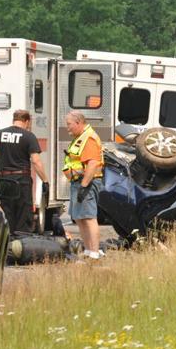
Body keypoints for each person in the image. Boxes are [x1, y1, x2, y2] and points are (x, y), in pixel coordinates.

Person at [0, 109, 49, 236]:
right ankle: (21, 245)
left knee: (7, 213)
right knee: (23, 215)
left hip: (4, 181)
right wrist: (45, 180)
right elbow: (36, 161)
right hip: (22, 181)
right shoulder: (28, 136)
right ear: (26, 121)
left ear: (14, 120)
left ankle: (7, 245)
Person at [62, 110, 103, 259]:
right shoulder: (80, 137)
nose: (67, 128)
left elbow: (92, 163)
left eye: (69, 124)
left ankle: (94, 252)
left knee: (89, 217)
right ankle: (88, 250)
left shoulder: (89, 138)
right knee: (79, 217)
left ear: (78, 122)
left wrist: (84, 185)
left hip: (87, 183)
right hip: (78, 182)